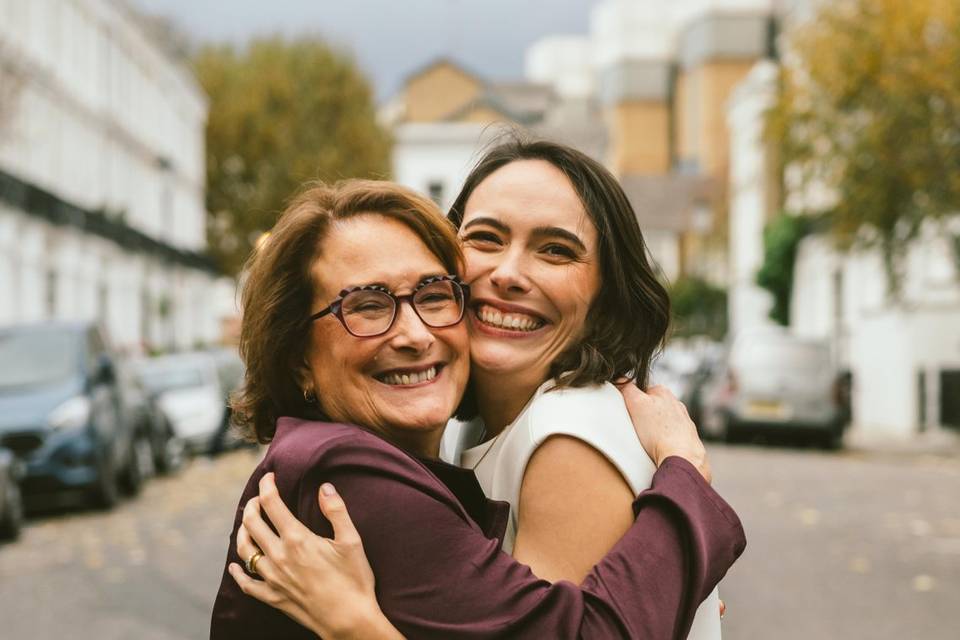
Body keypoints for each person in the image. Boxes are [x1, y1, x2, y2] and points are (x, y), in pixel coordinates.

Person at [210, 178, 745, 639]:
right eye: (367, 306)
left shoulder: (400, 453)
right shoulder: (344, 477)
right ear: (299, 359)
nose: (415, 334)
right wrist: (685, 474)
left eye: (433, 295)